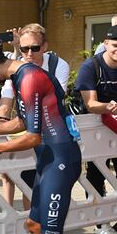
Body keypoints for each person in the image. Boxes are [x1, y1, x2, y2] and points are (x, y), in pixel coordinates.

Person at [0, 35, 82, 233]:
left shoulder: (29, 79)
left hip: (60, 160)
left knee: (49, 230)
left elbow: (32, 137)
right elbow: (22, 122)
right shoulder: (19, 76)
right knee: (33, 225)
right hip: (48, 159)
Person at [1, 23, 70, 210]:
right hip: (29, 128)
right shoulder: (17, 66)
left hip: (54, 134)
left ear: (45, 46)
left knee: (52, 186)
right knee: (30, 183)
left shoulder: (58, 64)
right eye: (24, 49)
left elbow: (56, 97)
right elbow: (6, 99)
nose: (29, 53)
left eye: (34, 48)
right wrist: (0, 117)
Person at [75, 25, 117, 234]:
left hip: (116, 127)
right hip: (95, 128)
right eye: (115, 46)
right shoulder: (91, 66)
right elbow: (90, 104)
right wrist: (108, 106)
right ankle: (101, 224)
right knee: (96, 176)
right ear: (106, 44)